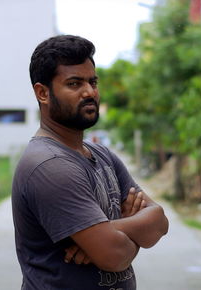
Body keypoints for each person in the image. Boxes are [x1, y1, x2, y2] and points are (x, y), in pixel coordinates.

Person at [11, 35, 169, 290]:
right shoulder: (50, 165)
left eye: (92, 82)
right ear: (43, 93)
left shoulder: (102, 155)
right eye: (74, 84)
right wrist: (125, 234)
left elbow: (160, 222)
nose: (89, 92)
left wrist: (110, 230)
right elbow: (114, 255)